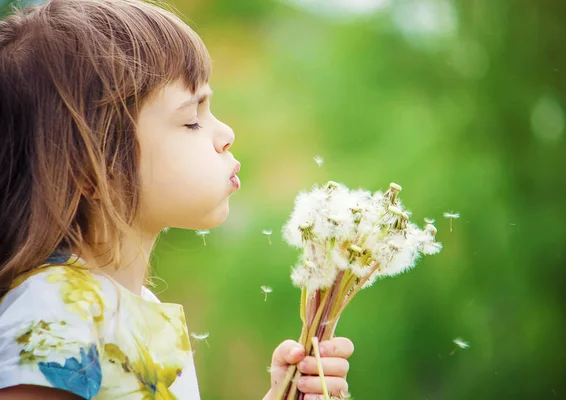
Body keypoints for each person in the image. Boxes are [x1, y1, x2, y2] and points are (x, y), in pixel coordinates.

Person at [0, 1, 353, 399]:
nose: (226, 134)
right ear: (90, 168)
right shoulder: (57, 310)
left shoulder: (133, 308)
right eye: (192, 119)